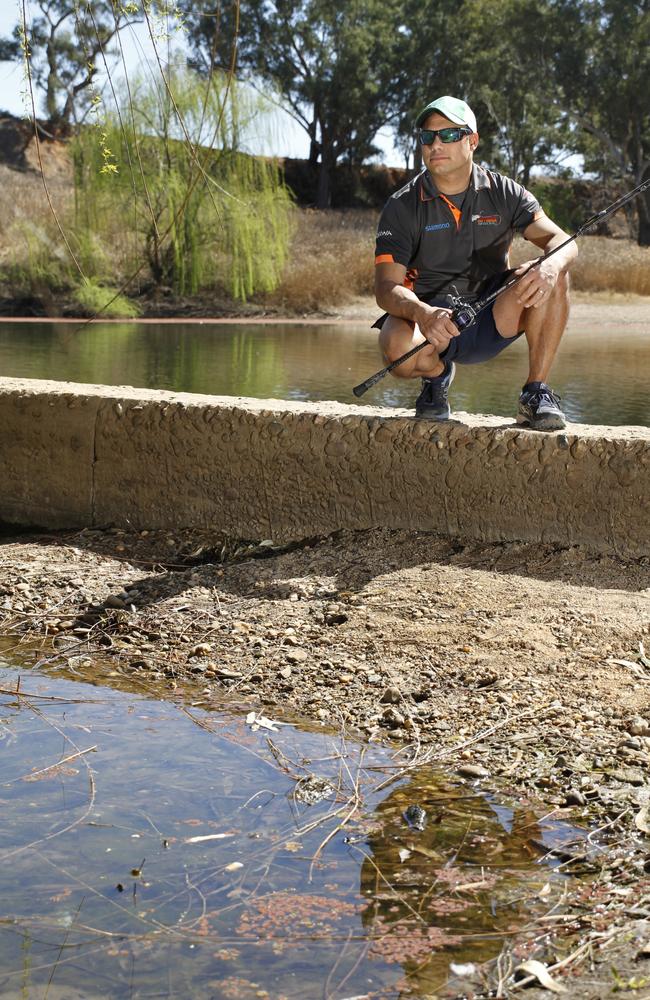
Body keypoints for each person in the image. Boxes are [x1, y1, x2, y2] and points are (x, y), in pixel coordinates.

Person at [373, 95, 577, 430]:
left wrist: (551, 266)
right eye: (428, 137)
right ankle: (437, 378)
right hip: (431, 321)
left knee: (554, 271)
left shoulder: (504, 191)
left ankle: (535, 392)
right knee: (396, 350)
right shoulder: (402, 205)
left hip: (492, 313)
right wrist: (422, 313)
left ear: (473, 141)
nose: (436, 144)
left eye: (449, 135)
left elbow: (563, 242)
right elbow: (386, 288)